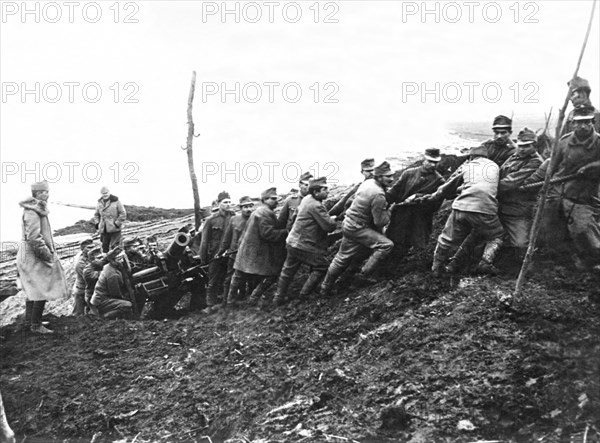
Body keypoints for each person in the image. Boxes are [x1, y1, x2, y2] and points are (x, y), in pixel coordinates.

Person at [424, 146, 504, 276]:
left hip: (462, 207)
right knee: (496, 236)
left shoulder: (467, 165)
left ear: (471, 157)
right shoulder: (495, 166)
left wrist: (434, 196)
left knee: (446, 239)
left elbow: (446, 187)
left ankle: (436, 269)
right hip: (486, 209)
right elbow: (484, 186)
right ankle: (485, 261)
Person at [320, 161, 395, 295]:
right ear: (379, 177)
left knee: (342, 257)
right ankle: (362, 276)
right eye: (388, 176)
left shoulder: (367, 183)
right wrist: (390, 209)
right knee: (386, 245)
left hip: (349, 224)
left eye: (392, 175)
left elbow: (350, 202)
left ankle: (325, 287)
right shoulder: (378, 194)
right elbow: (380, 222)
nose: (392, 179)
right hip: (359, 228)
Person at [543, 106, 600, 270]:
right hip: (559, 190)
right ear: (573, 124)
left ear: (593, 123)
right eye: (579, 122)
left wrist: (593, 166)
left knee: (583, 230)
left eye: (587, 122)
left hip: (585, 194)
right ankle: (562, 261)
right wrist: (546, 186)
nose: (583, 126)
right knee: (550, 226)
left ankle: (592, 260)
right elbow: (551, 166)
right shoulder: (564, 142)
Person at [273, 177, 338, 305]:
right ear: (316, 192)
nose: (328, 192)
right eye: (324, 189)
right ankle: (304, 295)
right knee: (322, 266)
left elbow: (295, 217)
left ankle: (278, 298)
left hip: (292, 241)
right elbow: (329, 227)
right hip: (304, 245)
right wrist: (333, 219)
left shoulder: (306, 199)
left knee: (288, 271)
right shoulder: (316, 205)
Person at [17, 180, 69, 334]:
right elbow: (34, 238)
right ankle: (35, 325)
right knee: (41, 287)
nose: (48, 194)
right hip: (33, 256)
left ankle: (31, 321)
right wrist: (48, 256)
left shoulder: (36, 209)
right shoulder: (32, 211)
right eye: (45, 192)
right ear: (38, 194)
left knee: (34, 287)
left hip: (31, 255)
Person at [384, 148, 445, 270]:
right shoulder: (409, 173)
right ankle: (377, 269)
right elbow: (394, 192)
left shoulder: (439, 181)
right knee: (390, 240)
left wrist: (418, 198)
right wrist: (382, 202)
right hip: (400, 215)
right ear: (424, 159)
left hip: (417, 219)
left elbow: (435, 205)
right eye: (430, 161)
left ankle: (387, 272)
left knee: (404, 245)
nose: (433, 165)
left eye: (435, 162)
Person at [228, 187, 288, 308]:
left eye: (276, 199)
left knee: (239, 276)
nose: (276, 201)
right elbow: (268, 234)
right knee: (272, 274)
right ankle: (253, 298)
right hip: (256, 252)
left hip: (247, 250)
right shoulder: (265, 213)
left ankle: (230, 302)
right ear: (264, 200)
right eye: (273, 199)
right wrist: (286, 232)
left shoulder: (259, 211)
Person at [491, 128, 543, 265]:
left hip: (517, 209)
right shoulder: (514, 156)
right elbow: (501, 172)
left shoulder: (536, 162)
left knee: (520, 245)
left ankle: (518, 268)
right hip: (499, 205)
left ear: (534, 146)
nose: (522, 149)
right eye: (520, 145)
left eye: (527, 146)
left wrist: (488, 188)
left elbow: (511, 181)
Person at [200, 191, 234, 309]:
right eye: (225, 202)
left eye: (229, 202)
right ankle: (210, 305)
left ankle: (226, 303)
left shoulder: (234, 217)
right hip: (215, 255)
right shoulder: (211, 220)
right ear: (218, 203)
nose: (228, 204)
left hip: (231, 253)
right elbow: (204, 241)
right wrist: (203, 259)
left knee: (229, 279)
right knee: (213, 281)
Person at [219, 196, 255, 305]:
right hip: (234, 255)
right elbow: (227, 238)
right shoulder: (234, 220)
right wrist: (220, 252)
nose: (248, 209)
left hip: (251, 255)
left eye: (250, 206)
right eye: (245, 207)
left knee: (251, 278)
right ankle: (227, 301)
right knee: (230, 278)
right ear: (240, 208)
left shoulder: (256, 219)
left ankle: (247, 300)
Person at [90, 252, 134, 319]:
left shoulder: (110, 266)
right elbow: (115, 294)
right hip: (102, 301)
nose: (121, 261)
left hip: (101, 298)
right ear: (112, 260)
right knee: (127, 305)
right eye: (118, 259)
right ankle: (104, 318)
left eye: (122, 258)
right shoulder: (113, 274)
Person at [94, 186, 126, 253]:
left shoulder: (116, 201)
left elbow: (123, 214)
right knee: (104, 247)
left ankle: (117, 261)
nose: (105, 194)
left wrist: (117, 224)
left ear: (109, 192)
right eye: (103, 193)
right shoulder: (99, 203)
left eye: (106, 193)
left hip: (115, 229)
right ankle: (106, 261)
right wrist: (97, 223)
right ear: (101, 194)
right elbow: (96, 214)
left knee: (115, 247)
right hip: (104, 229)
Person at [72, 238, 95, 316]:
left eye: (92, 247)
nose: (92, 249)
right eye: (89, 248)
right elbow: (91, 277)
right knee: (77, 315)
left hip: (88, 288)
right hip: (81, 290)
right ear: (82, 249)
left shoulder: (91, 256)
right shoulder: (80, 263)